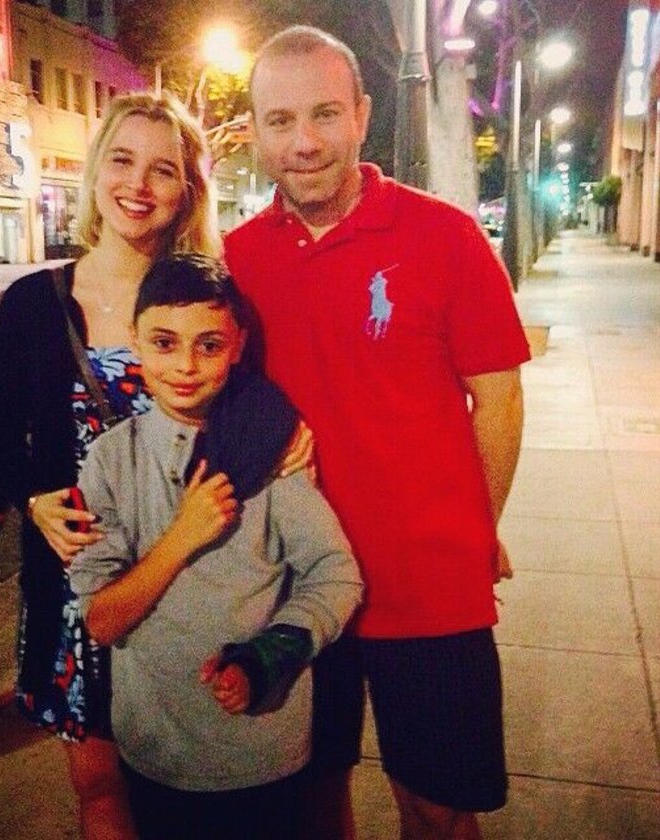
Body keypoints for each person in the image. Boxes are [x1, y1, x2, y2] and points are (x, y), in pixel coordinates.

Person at [224, 25, 531, 840]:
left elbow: (499, 401)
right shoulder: (236, 262)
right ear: (255, 132)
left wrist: (478, 528)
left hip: (428, 591)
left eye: (325, 113)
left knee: (437, 808)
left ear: (362, 114)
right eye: (281, 120)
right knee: (309, 798)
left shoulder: (446, 238)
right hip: (289, 588)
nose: (304, 141)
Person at [0, 91, 221, 840]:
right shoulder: (33, 303)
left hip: (188, 575)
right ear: (95, 172)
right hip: (78, 586)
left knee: (194, 786)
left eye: (162, 170)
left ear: (187, 190)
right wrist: (34, 501)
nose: (137, 185)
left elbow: (247, 417)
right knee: (99, 787)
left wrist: (289, 436)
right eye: (122, 160)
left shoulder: (208, 301)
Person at [68, 253, 364, 840]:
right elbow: (101, 621)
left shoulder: (271, 450)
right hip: (154, 750)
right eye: (164, 342)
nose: (185, 366)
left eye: (208, 345)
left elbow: (335, 572)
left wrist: (271, 655)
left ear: (237, 345)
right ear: (134, 340)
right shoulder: (110, 460)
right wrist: (183, 535)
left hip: (264, 753)